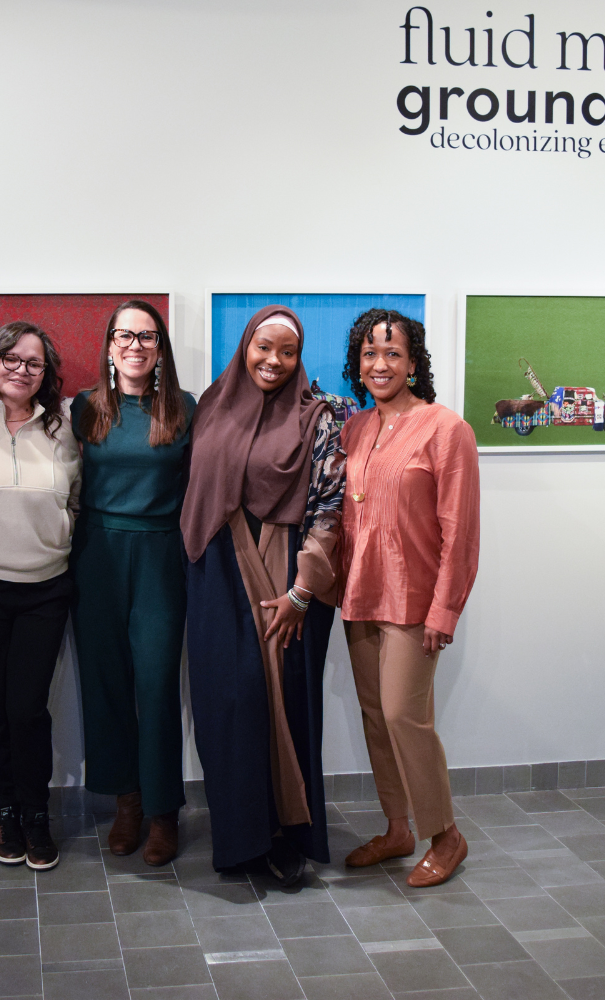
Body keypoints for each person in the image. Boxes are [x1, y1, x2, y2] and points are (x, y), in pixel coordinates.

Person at [180, 305, 347, 884]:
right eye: (263, 347)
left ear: (299, 360)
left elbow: (330, 507)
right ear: (245, 347)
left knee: (284, 700)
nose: (273, 361)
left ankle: (288, 834)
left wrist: (303, 591)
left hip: (287, 576)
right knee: (226, 703)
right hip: (215, 571)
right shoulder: (210, 407)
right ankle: (240, 835)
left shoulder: (318, 417)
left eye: (287, 352)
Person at [336, 309, 479, 887]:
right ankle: (399, 828)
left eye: (393, 354)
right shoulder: (355, 429)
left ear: (413, 363)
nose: (380, 364)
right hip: (359, 596)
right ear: (358, 363)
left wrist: (444, 609)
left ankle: (446, 835)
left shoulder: (446, 429)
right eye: (370, 353)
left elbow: (460, 530)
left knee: (404, 716)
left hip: (415, 602)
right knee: (376, 718)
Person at [70, 299, 194, 866]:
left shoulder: (185, 410)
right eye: (126, 335)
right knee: (106, 684)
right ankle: (127, 802)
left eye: (147, 337)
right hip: (96, 556)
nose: (136, 345)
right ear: (110, 345)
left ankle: (165, 812)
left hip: (160, 557)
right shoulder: (84, 409)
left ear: (160, 348)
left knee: (157, 686)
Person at [0, 321, 80, 871]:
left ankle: (36, 813)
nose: (21, 370)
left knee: (27, 709)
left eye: (33, 363)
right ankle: (6, 810)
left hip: (45, 589)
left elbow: (78, 497)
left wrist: (62, 530)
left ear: (45, 374)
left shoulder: (65, 426)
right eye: (11, 358)